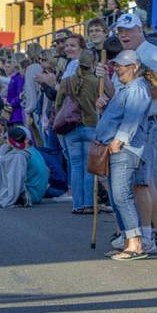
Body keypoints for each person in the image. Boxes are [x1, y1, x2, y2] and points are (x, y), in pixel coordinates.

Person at [99, 14, 157, 251]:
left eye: (129, 30)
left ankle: (149, 234)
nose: (124, 35)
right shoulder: (125, 57)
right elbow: (119, 93)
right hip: (130, 124)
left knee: (143, 183)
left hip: (147, 123)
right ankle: (137, 233)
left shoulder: (150, 53)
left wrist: (136, 98)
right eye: (120, 31)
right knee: (134, 183)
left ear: (140, 30)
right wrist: (107, 97)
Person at [96, 50, 152, 261]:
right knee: (116, 196)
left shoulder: (137, 88)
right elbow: (119, 115)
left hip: (124, 148)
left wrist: (118, 141)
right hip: (115, 147)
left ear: (134, 67)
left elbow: (132, 117)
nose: (117, 68)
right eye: (116, 65)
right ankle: (128, 241)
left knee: (121, 195)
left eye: (121, 65)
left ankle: (135, 244)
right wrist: (104, 107)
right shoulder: (126, 88)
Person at [54, 48, 99, 214]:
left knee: (75, 166)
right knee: (89, 167)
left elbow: (58, 104)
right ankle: (88, 203)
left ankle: (77, 204)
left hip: (71, 127)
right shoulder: (96, 82)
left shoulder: (67, 81)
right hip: (91, 125)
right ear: (93, 64)